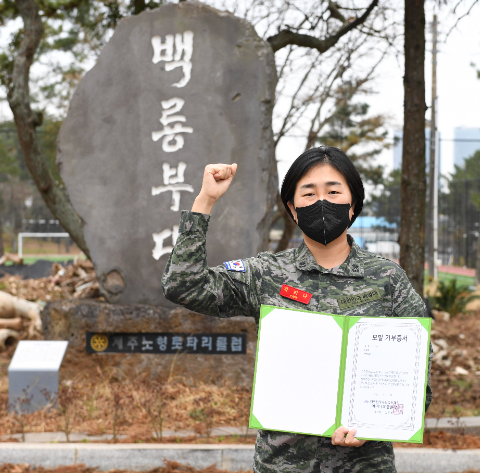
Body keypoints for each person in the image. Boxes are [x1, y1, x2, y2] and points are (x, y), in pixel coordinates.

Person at [162, 146, 432, 473]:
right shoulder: (264, 273)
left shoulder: (387, 278)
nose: (321, 202)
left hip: (364, 465)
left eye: (334, 191)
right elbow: (183, 285)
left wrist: (375, 425)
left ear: (352, 205)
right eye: (308, 193)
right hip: (281, 466)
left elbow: (417, 366)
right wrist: (205, 201)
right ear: (292, 208)